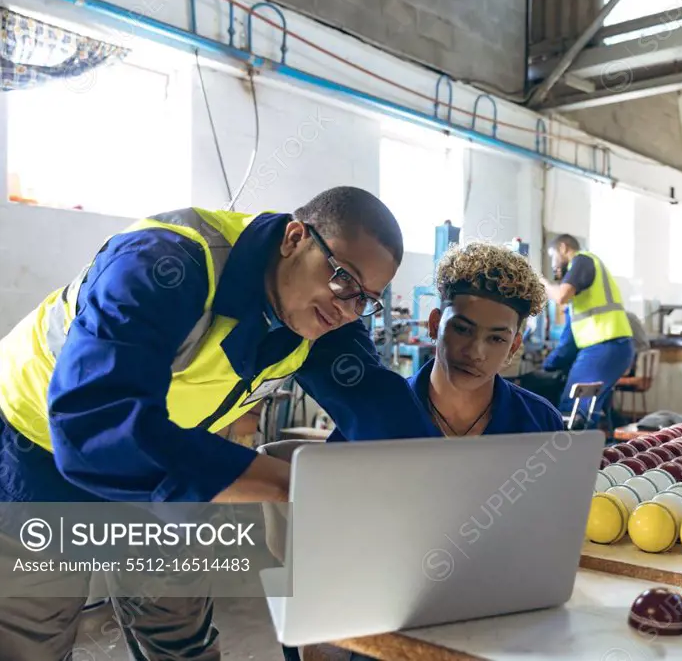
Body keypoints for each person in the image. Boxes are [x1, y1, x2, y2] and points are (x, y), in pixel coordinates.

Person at [0, 187, 430, 660]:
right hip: (37, 442)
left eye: (367, 298)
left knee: (179, 629)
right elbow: (98, 425)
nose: (348, 308)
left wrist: (436, 490)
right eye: (343, 278)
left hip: (163, 451)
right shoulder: (166, 262)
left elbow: (378, 405)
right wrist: (292, 483)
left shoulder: (325, 315)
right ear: (293, 238)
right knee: (31, 631)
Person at [414, 241, 564, 436]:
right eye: (462, 329)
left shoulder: (540, 422)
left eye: (496, 339)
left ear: (513, 347)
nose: (475, 353)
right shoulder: (384, 412)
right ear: (435, 325)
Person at [541, 234, 634, 427]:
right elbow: (570, 337)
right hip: (612, 346)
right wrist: (551, 362)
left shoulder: (582, 260)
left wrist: (541, 283)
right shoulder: (585, 285)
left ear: (563, 248)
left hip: (605, 345)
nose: (553, 263)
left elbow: (560, 296)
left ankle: (570, 457)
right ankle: (587, 455)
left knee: (572, 411)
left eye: (553, 256)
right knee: (586, 409)